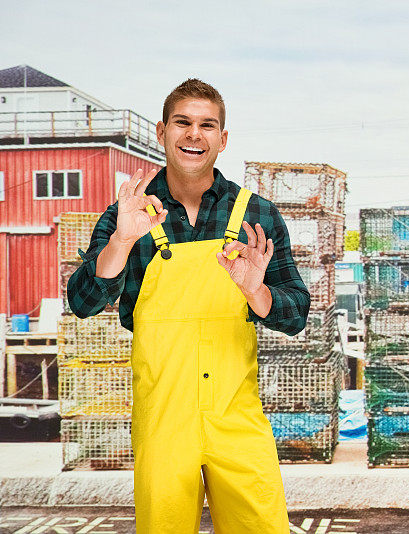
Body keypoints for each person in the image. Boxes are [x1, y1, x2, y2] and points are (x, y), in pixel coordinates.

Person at [68, 78, 310, 533]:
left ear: (222, 139)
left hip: (235, 416)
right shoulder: (130, 214)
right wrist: (121, 241)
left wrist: (257, 291)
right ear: (161, 133)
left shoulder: (257, 215)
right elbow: (82, 301)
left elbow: (296, 313)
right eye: (183, 123)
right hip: (163, 418)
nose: (194, 134)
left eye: (207, 125)